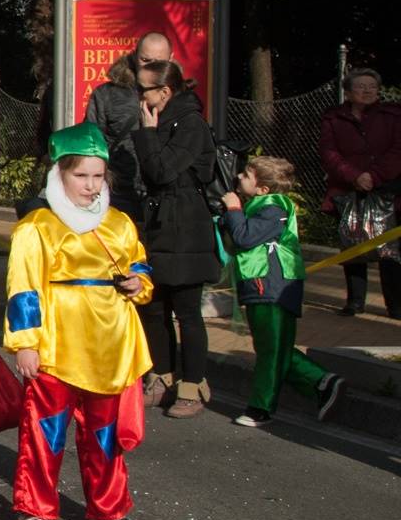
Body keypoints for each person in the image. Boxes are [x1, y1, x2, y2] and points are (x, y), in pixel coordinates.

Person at [5, 123, 155, 520]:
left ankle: (109, 512)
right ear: (60, 174)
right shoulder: (38, 226)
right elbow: (24, 287)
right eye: (81, 176)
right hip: (57, 347)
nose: (91, 186)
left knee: (105, 439)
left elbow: (141, 266)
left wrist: (137, 282)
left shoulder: (120, 223)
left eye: (97, 176)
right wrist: (27, 342)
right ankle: (35, 511)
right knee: (44, 435)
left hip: (110, 345)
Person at [220, 156, 346, 427]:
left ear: (263, 188)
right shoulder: (260, 205)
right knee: (274, 346)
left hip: (271, 285)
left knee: (270, 348)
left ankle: (261, 408)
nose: (239, 177)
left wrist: (233, 210)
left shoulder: (272, 206)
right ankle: (322, 382)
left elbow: (245, 237)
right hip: (267, 284)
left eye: (246, 175)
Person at [131, 59, 219, 419]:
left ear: (164, 92)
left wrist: (148, 134)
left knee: (187, 310)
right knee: (154, 306)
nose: (139, 96)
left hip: (186, 228)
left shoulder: (191, 124)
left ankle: (192, 384)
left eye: (143, 90)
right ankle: (162, 377)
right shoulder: (163, 121)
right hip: (160, 225)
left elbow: (162, 171)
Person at [318, 68, 401, 317]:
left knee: (391, 250)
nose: (367, 91)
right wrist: (354, 176)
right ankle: (355, 301)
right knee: (352, 244)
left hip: (388, 189)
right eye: (361, 86)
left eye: (372, 86)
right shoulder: (333, 117)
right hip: (348, 188)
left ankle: (395, 304)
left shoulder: (393, 115)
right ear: (348, 91)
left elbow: (398, 150)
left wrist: (373, 177)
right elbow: (329, 152)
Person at [84, 32, 173, 220]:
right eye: (145, 59)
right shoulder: (107, 94)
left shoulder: (180, 97)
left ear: (170, 60)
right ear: (134, 55)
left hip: (166, 197)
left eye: (159, 61)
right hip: (118, 196)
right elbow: (90, 144)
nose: (151, 66)